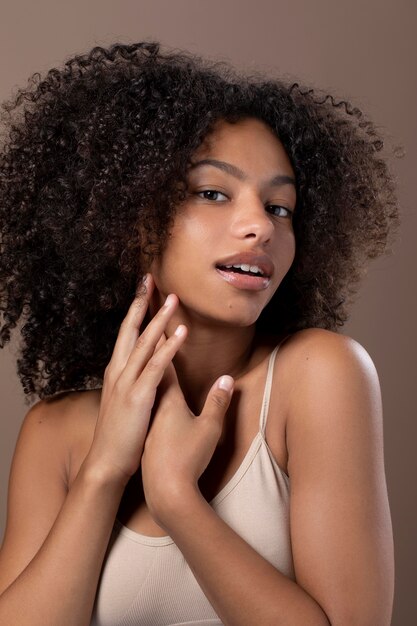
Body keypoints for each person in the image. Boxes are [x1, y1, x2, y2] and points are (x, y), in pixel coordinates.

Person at [0, 41, 398, 625]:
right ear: (127, 218)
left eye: (280, 206)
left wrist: (176, 499)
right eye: (213, 193)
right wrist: (105, 469)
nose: (259, 225)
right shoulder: (54, 432)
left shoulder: (319, 376)